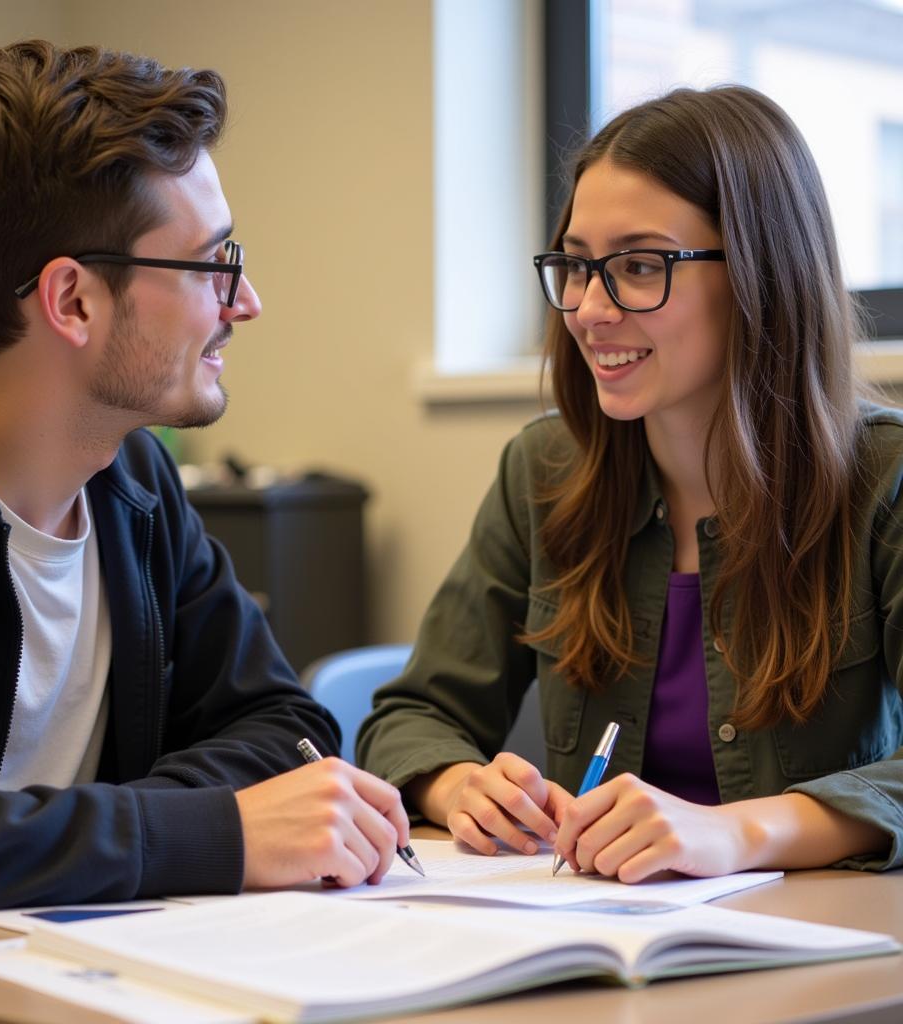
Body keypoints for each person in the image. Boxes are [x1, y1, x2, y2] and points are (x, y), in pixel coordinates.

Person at [0, 39, 408, 923]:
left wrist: (169, 828)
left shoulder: (134, 479)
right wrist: (205, 833)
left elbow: (287, 727)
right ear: (73, 301)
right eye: (213, 264)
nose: (245, 304)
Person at [358, 85, 903, 880]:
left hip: (817, 939)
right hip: (599, 933)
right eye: (577, 266)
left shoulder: (883, 481)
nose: (587, 308)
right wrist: (457, 786)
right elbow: (414, 713)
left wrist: (735, 834)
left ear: (761, 273)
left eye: (640, 266)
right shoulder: (542, 473)